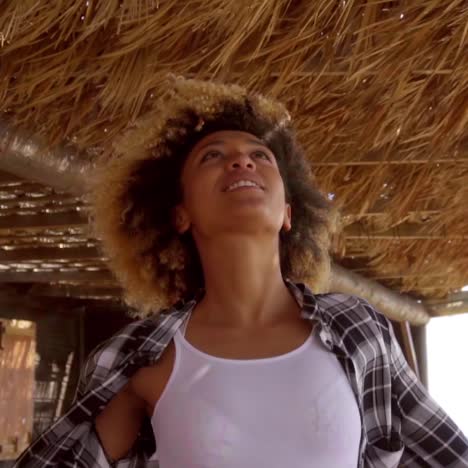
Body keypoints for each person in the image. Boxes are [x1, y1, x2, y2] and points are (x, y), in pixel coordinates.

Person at [15, 75, 468, 467]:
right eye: (212, 155)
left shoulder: (358, 329)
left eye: (261, 156)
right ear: (180, 215)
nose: (242, 160)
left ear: (289, 213)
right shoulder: (136, 358)